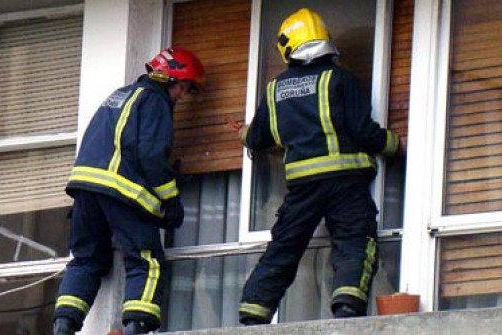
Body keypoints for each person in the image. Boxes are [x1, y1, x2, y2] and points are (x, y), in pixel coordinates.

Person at [235, 8, 402, 325]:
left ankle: (252, 314)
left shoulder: (275, 89)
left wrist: (243, 133)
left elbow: (258, 138)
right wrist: (395, 144)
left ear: (288, 46)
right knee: (354, 241)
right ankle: (347, 308)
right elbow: (364, 132)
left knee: (283, 247)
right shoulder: (340, 79)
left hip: (303, 187)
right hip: (346, 183)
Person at [52, 47, 205, 335]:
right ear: (170, 79)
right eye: (183, 87)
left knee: (86, 259)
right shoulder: (155, 102)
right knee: (146, 261)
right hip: (120, 191)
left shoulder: (119, 96)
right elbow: (150, 155)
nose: (183, 96)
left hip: (85, 190)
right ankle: (137, 327)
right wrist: (171, 199)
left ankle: (63, 327)